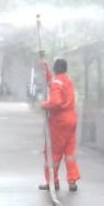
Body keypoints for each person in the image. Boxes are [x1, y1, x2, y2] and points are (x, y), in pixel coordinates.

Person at [38, 58, 80, 193]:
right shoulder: (68, 81)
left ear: (56, 69)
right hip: (71, 120)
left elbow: (56, 101)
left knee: (53, 153)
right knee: (69, 152)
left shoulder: (57, 83)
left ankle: (52, 182)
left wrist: (44, 105)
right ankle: (72, 181)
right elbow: (54, 84)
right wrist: (46, 70)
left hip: (59, 122)